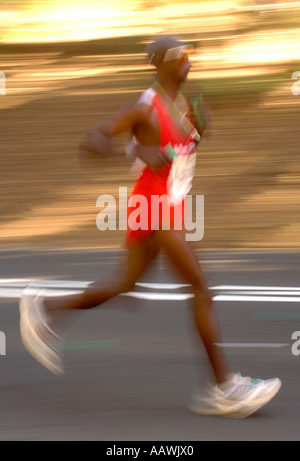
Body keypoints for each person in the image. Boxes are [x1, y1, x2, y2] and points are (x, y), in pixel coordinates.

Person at [19, 34, 281, 418]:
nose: (189, 59)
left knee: (124, 286)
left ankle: (44, 310)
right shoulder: (144, 105)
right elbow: (90, 140)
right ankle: (223, 388)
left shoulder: (179, 108)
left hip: (167, 206)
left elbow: (176, 155)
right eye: (182, 54)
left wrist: (197, 132)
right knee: (201, 289)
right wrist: (134, 149)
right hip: (154, 207)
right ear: (160, 61)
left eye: (192, 53)